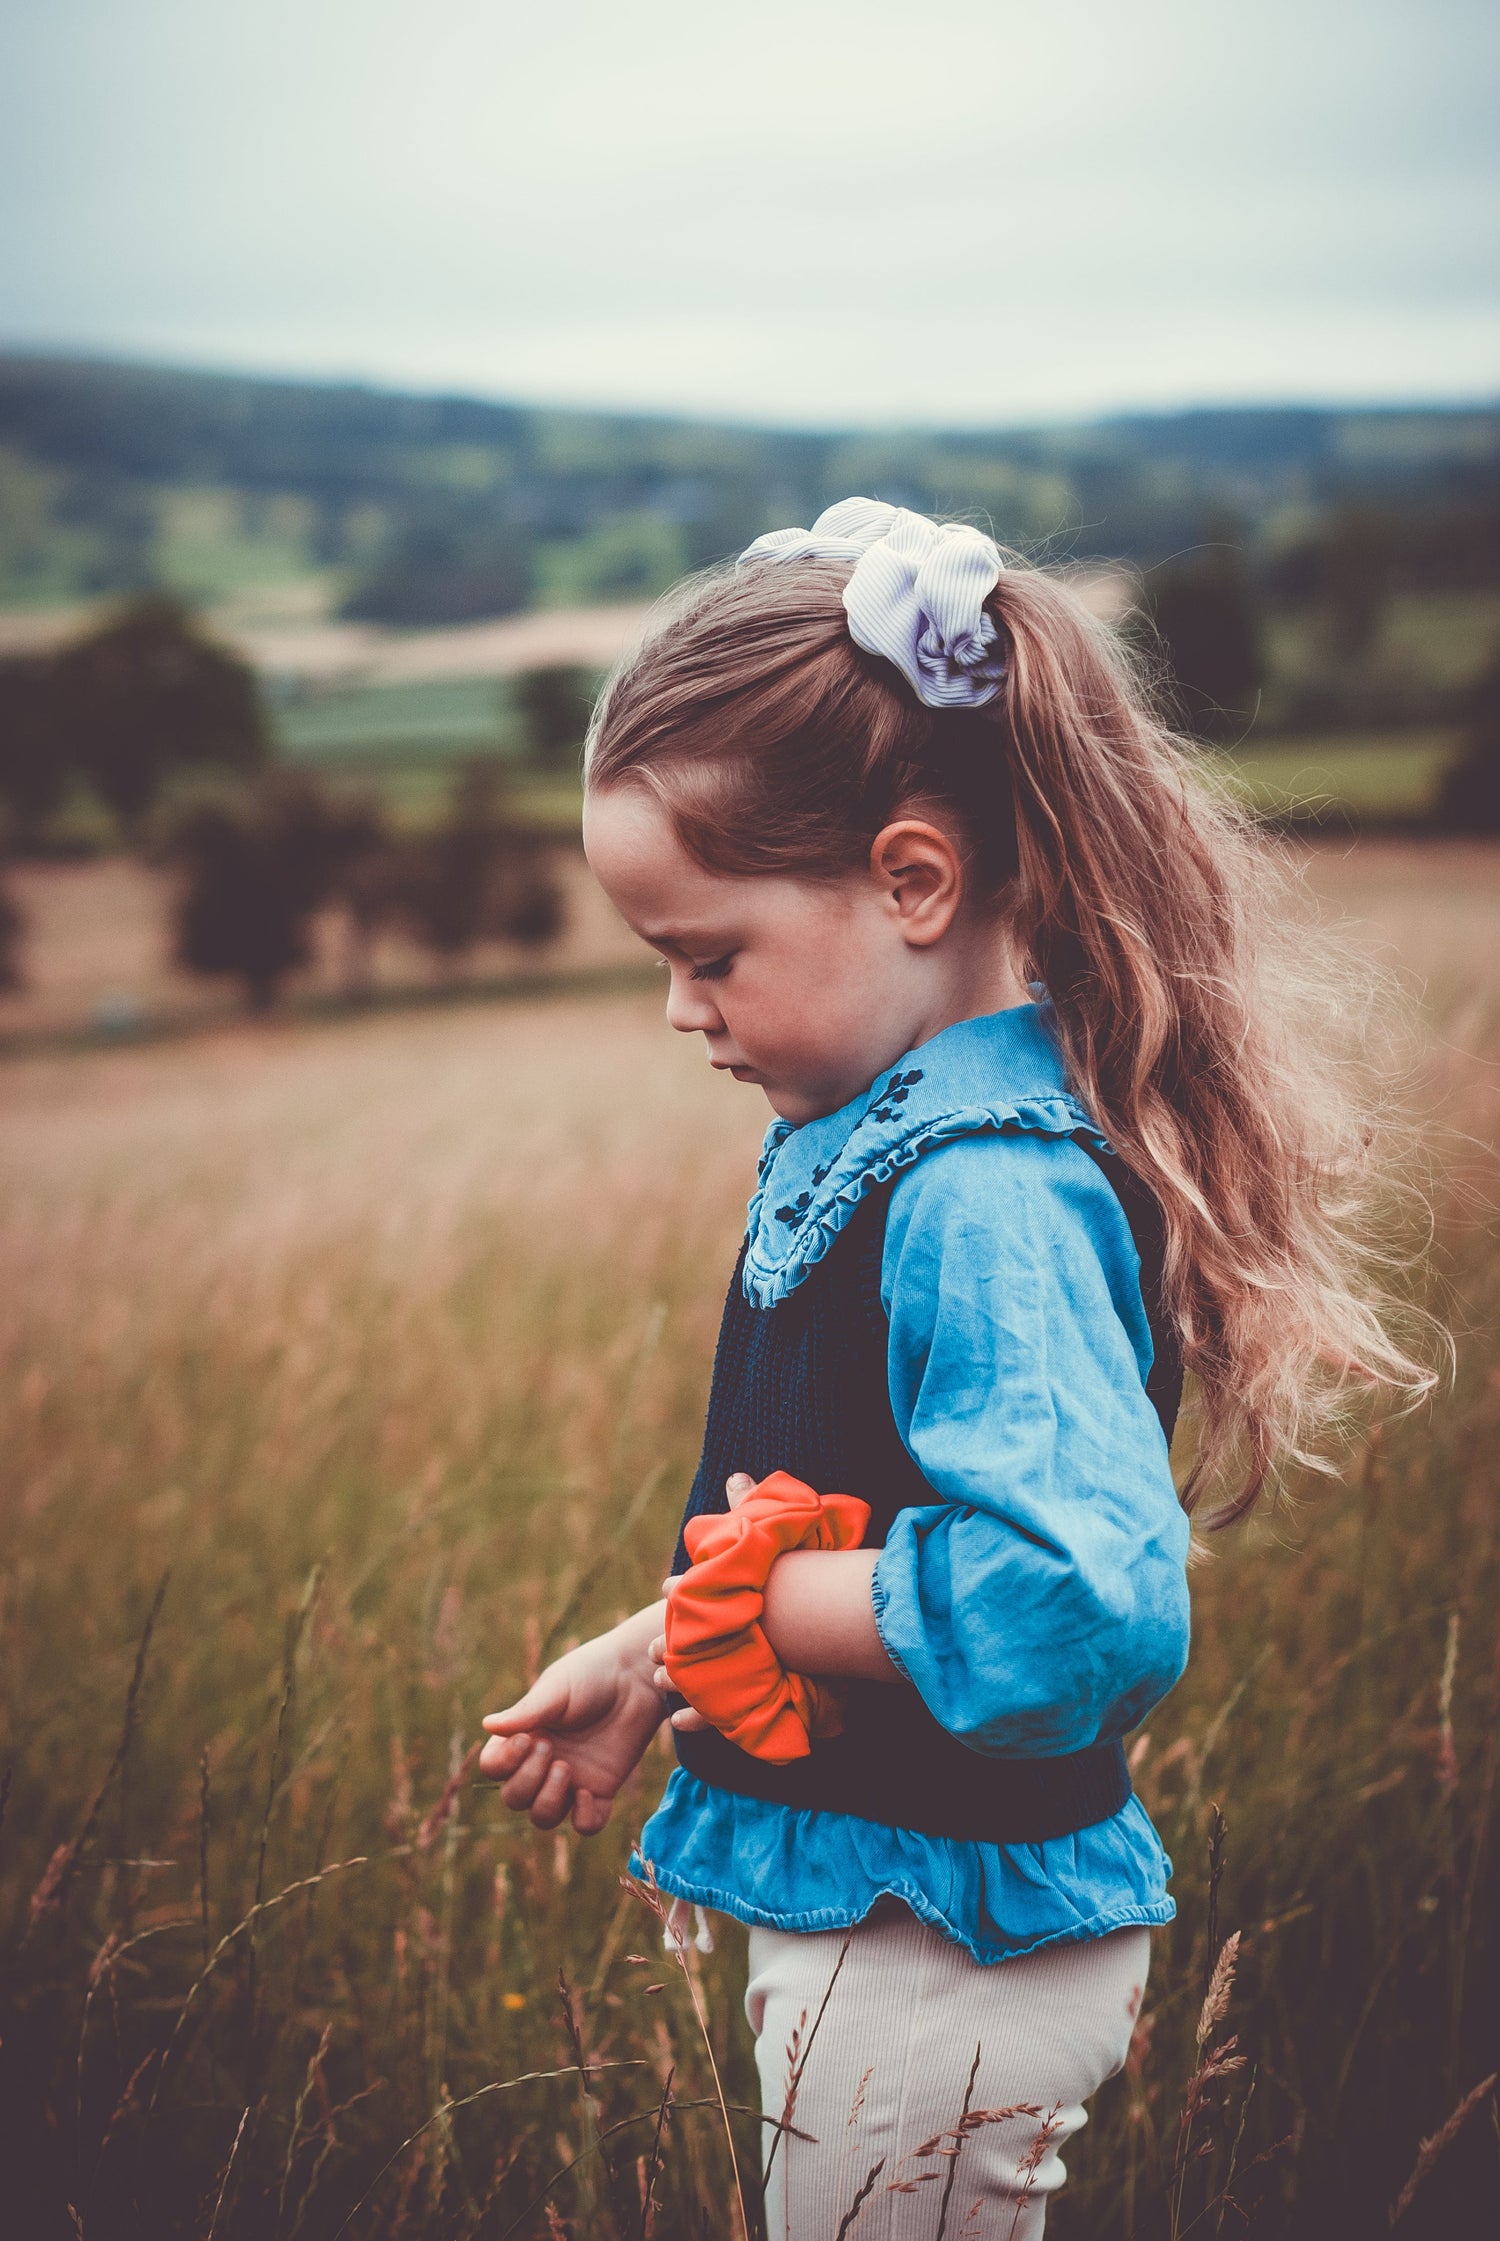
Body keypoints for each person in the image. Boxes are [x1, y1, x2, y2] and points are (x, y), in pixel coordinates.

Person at [479, 500, 1430, 2236]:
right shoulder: (881, 1134)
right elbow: (855, 1515)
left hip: (945, 1944)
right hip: (901, 1921)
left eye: (709, 953)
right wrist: (653, 1654)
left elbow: (1075, 1600)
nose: (683, 1009)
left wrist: (753, 1612)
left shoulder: (982, 1190)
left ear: (912, 880)